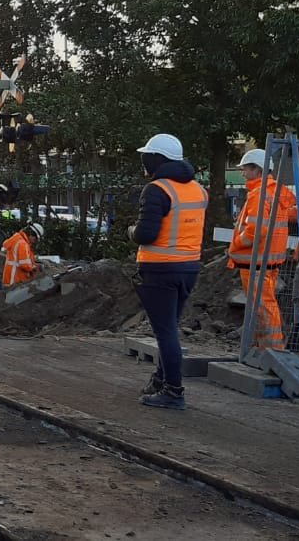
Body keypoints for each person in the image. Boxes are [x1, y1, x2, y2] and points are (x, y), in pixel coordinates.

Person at [129, 133, 207, 410]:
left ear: (155, 160)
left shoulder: (157, 189)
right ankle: (162, 379)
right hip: (189, 267)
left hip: (160, 269)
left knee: (165, 332)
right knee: (169, 328)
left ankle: (173, 391)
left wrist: (131, 231)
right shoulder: (198, 190)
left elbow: (146, 234)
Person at [228, 149, 295, 351]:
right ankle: (262, 347)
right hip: (268, 261)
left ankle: (272, 351)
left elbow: (257, 230)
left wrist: (236, 245)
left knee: (262, 307)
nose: (242, 173)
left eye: (245, 169)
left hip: (255, 262)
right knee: (264, 305)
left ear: (257, 170)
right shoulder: (276, 192)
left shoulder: (259, 194)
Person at [1, 222, 44, 287]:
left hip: (10, 278)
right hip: (15, 280)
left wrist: (35, 265)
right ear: (31, 234)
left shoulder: (18, 239)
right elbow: (25, 265)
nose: (35, 241)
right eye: (35, 239)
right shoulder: (23, 244)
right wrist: (35, 267)